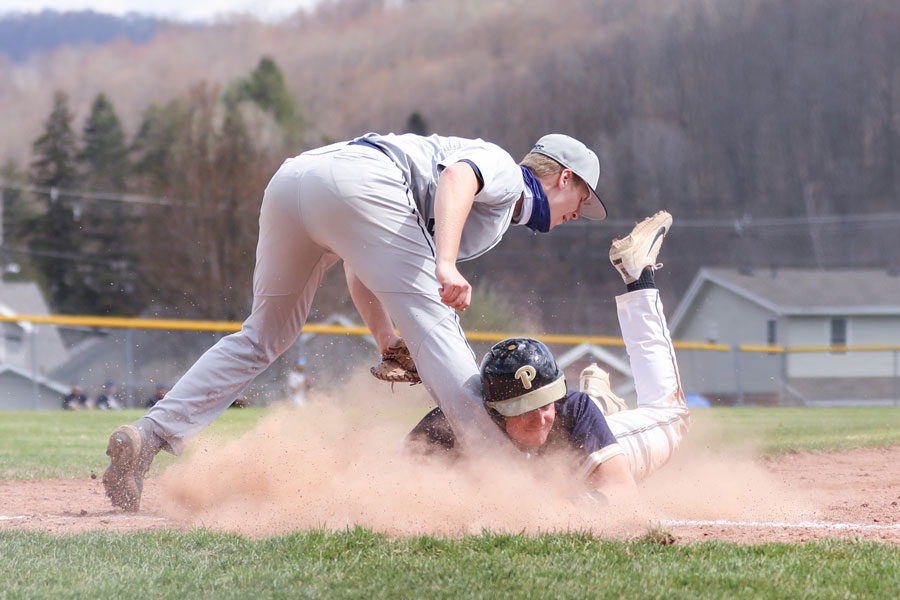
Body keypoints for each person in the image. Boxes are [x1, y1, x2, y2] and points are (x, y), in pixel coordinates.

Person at [103, 131, 608, 511]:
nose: (576, 214)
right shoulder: (504, 168)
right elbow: (458, 177)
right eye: (581, 201)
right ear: (564, 178)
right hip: (364, 180)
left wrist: (386, 338)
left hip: (297, 182)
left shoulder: (491, 212)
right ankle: (520, 500)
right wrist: (446, 264)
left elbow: (361, 262)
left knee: (263, 334)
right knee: (451, 367)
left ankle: (150, 434)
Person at [407, 211, 688, 494]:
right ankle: (601, 400)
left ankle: (638, 278)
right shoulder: (455, 422)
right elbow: (393, 481)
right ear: (493, 411)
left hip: (598, 448)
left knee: (672, 416)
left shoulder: (573, 414)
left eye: (544, 403)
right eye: (522, 409)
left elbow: (622, 496)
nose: (539, 419)